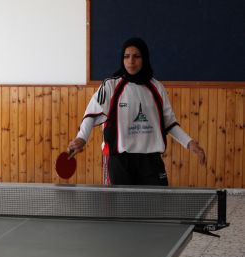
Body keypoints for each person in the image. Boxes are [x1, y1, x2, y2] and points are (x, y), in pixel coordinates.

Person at [68, 37, 206, 186]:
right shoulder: (111, 86)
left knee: (156, 208)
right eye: (126, 56)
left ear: (144, 59)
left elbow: (169, 123)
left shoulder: (157, 87)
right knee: (122, 209)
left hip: (151, 162)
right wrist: (81, 138)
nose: (131, 61)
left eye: (136, 56)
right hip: (120, 162)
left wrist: (190, 143)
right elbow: (91, 114)